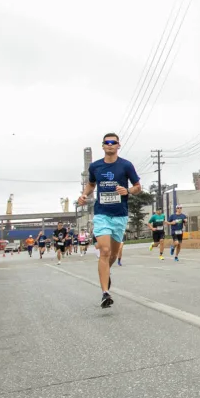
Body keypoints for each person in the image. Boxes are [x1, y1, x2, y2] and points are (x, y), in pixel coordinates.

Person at [78, 132, 141, 308]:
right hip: (101, 214)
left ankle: (106, 273)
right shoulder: (95, 167)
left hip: (120, 215)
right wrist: (84, 195)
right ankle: (105, 293)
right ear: (103, 146)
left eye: (113, 142)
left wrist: (127, 191)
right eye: (107, 142)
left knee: (113, 254)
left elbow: (138, 187)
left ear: (118, 146)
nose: (110, 145)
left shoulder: (126, 165)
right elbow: (91, 184)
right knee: (104, 251)